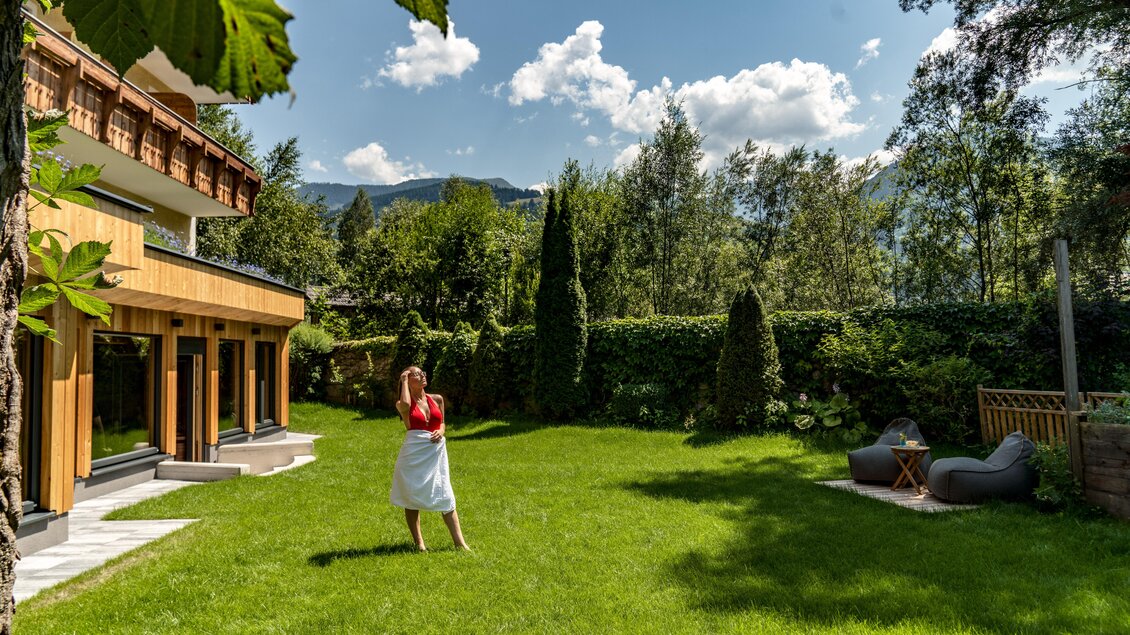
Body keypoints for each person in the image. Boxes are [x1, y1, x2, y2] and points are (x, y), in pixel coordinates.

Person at [390, 366, 469, 551]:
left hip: (435, 453)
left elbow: (442, 423)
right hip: (413, 455)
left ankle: (460, 543)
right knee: (411, 497)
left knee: (445, 494)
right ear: (408, 381)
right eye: (416, 375)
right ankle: (419, 544)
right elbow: (406, 406)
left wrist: (440, 431)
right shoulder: (403, 404)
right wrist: (403, 381)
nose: (422, 375)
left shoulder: (437, 399)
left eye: (422, 372)